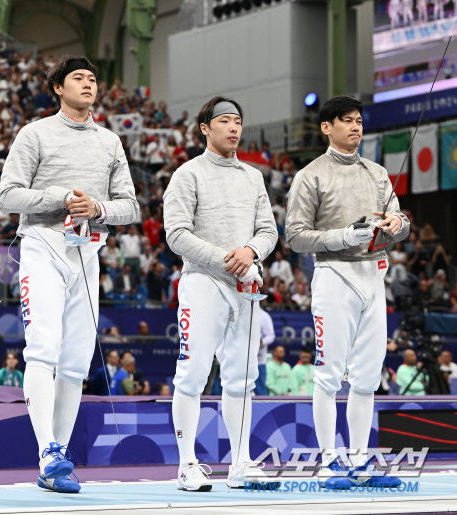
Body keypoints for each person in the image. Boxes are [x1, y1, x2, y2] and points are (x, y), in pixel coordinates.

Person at [0, 55, 138, 494]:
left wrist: (97, 208)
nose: (88, 84)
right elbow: (8, 195)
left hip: (87, 251)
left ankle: (54, 456)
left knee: (76, 361)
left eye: (93, 78)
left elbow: (130, 207)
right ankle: (48, 450)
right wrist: (62, 197)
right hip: (42, 245)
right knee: (42, 347)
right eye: (78, 78)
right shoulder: (34, 133)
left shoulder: (110, 142)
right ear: (58, 87)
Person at [285, 95, 408, 489]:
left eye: (358, 121)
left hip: (375, 276)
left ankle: (359, 461)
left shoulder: (377, 173)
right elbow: (296, 236)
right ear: (327, 127)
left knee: (368, 378)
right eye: (347, 121)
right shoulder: (310, 175)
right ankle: (328, 461)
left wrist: (397, 223)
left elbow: (402, 221)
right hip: (334, 277)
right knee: (329, 376)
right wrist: (343, 236)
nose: (356, 127)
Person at [163, 96, 277, 491]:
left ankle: (241, 462)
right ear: (205, 128)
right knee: (193, 374)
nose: (233, 128)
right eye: (225, 121)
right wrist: (225, 258)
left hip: (245, 286)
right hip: (203, 283)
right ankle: (186, 465)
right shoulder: (187, 174)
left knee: (243, 378)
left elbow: (268, 231)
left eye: (238, 121)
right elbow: (176, 234)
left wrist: (251, 253)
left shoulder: (253, 177)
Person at [255, 309, 275, 395]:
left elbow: (270, 335)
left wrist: (262, 342)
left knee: (260, 388)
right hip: (240, 359)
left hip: (259, 359)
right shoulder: (238, 311)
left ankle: (262, 406)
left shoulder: (263, 315)